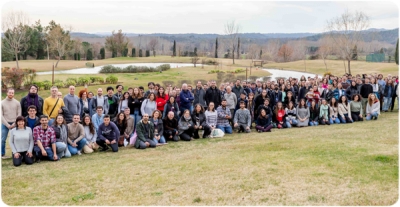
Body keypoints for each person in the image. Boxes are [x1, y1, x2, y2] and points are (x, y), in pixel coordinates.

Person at [2, 88, 21, 159]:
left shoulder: (17, 103)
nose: (11, 94)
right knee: (3, 139)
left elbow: (19, 114)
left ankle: (16, 152)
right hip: (4, 123)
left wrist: (14, 123)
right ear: (7, 93)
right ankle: (2, 154)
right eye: (10, 93)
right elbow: (1, 115)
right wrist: (7, 125)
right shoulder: (2, 103)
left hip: (14, 124)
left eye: (12, 93)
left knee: (16, 139)